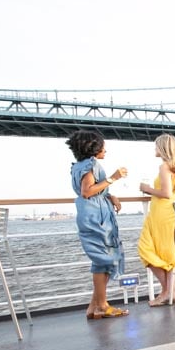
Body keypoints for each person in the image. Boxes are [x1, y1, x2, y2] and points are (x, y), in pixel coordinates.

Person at [66, 130, 129, 319]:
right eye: (103, 146)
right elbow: (87, 191)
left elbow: (93, 190)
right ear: (93, 147)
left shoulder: (78, 165)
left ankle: (94, 307)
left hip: (92, 214)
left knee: (101, 259)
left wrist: (109, 195)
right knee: (105, 259)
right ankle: (102, 305)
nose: (105, 150)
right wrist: (113, 178)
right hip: (97, 218)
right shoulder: (91, 164)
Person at [137, 133, 175, 306]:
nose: (154, 149)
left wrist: (147, 189)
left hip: (161, 214)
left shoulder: (164, 167)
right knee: (165, 252)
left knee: (145, 249)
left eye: (156, 146)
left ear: (163, 148)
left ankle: (168, 292)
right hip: (164, 214)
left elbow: (166, 194)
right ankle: (170, 292)